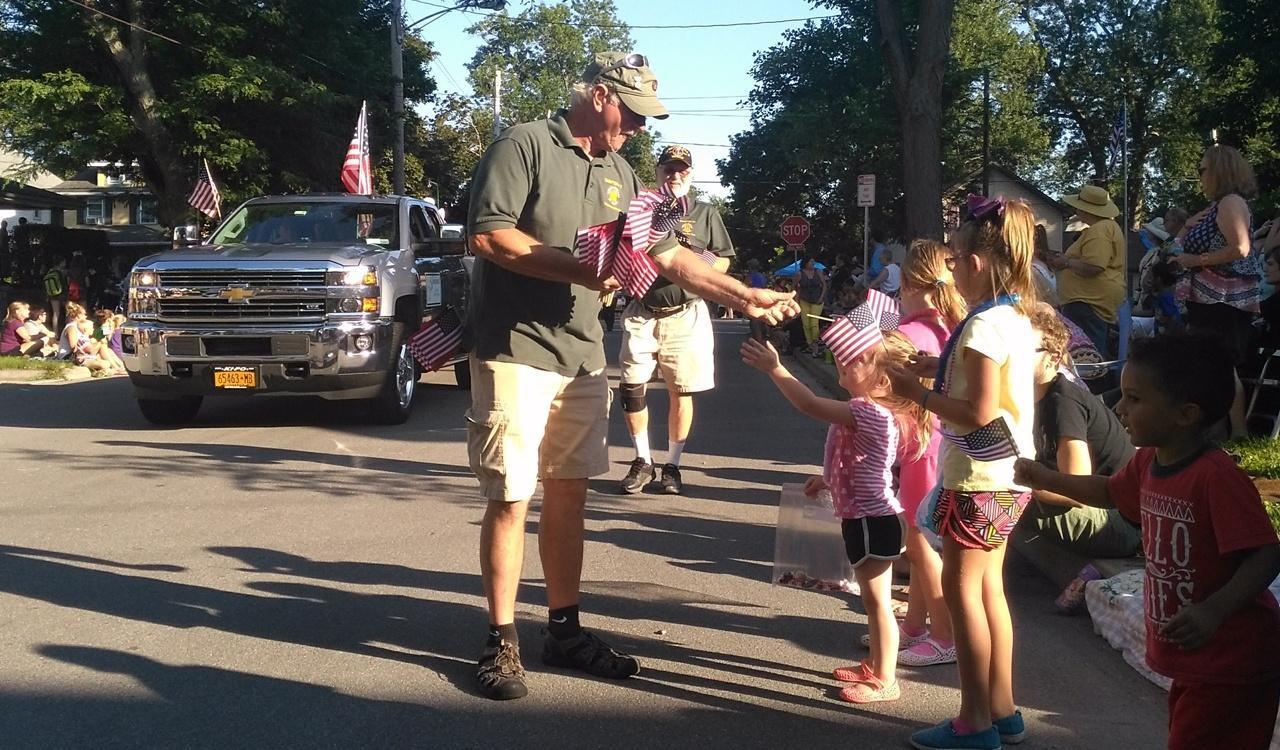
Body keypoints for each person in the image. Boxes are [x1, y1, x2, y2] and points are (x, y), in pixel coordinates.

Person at [463, 51, 798, 702]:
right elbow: (491, 238)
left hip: (585, 352)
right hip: (515, 349)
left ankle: (564, 630)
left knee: (571, 494)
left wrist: (743, 294)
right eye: (633, 112)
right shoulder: (525, 145)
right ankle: (500, 640)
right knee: (510, 496)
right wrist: (581, 270)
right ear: (597, 95)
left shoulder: (621, 172)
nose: (640, 128)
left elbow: (668, 254)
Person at [1015, 332, 1280, 750]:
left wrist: (1214, 611)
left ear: (1185, 414)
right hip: (1196, 661)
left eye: (1135, 399)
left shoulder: (1215, 476)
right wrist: (1045, 478)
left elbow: (1266, 554)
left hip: (1231, 661)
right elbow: (1107, 491)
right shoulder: (1148, 461)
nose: (1119, 409)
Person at [888, 195, 1039, 750]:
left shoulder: (981, 327)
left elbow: (977, 412)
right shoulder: (1011, 317)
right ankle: (1002, 708)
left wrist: (918, 392)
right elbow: (989, 390)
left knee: (963, 593)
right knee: (990, 592)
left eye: (954, 259)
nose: (951, 268)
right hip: (1009, 474)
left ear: (976, 262)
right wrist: (938, 369)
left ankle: (974, 720)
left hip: (977, 477)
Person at [741, 330, 931, 705]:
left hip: (873, 520)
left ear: (882, 379)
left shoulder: (868, 410)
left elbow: (810, 405)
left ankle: (886, 679)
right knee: (872, 601)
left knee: (878, 603)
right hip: (869, 518)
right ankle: (875, 664)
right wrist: (827, 478)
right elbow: (859, 459)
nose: (845, 359)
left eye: (858, 358)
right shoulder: (873, 409)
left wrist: (777, 370)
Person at [617, 144, 735, 495]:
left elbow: (725, 260)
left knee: (680, 389)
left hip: (686, 313)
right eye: (669, 169)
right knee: (631, 386)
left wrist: (695, 266)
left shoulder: (703, 212)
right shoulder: (641, 208)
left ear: (691, 173)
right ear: (657, 172)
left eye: (682, 169)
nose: (675, 175)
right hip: (642, 310)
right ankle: (642, 461)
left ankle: (672, 465)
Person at [886, 238, 966, 668]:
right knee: (921, 542)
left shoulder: (909, 333)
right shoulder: (951, 328)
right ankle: (915, 625)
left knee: (920, 546)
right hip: (942, 442)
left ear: (913, 283)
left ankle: (943, 633)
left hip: (920, 446)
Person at [1022, 307, 1139, 559]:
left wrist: (1024, 486)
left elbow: (1077, 488)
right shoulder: (1026, 395)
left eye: (1023, 352)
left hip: (1120, 522)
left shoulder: (1062, 401)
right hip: (1102, 510)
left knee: (1008, 500)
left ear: (1053, 358)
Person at [1172, 144, 1261, 438]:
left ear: (1220, 171)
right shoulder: (1216, 206)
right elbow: (1177, 246)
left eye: (1203, 169)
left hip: (1224, 301)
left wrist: (1196, 261)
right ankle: (1219, 431)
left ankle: (1236, 433)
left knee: (1220, 365)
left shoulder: (1230, 204)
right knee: (1211, 364)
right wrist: (1186, 227)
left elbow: (1240, 248)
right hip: (1209, 300)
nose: (1199, 175)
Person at [1049, 185, 1126, 358]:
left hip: (1087, 301)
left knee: (1085, 354)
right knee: (1091, 350)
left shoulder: (1099, 230)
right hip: (1091, 301)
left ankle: (1093, 384)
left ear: (1086, 209)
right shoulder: (1106, 227)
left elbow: (1095, 266)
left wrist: (1066, 262)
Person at [795, 257, 827, 355]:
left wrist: (821, 297)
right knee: (806, 323)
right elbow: (795, 287)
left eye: (813, 261)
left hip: (817, 300)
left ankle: (815, 343)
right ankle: (810, 344)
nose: (813, 263)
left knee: (814, 322)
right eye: (811, 261)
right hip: (805, 300)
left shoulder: (818, 272)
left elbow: (824, 285)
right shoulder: (799, 274)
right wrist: (796, 301)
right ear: (806, 263)